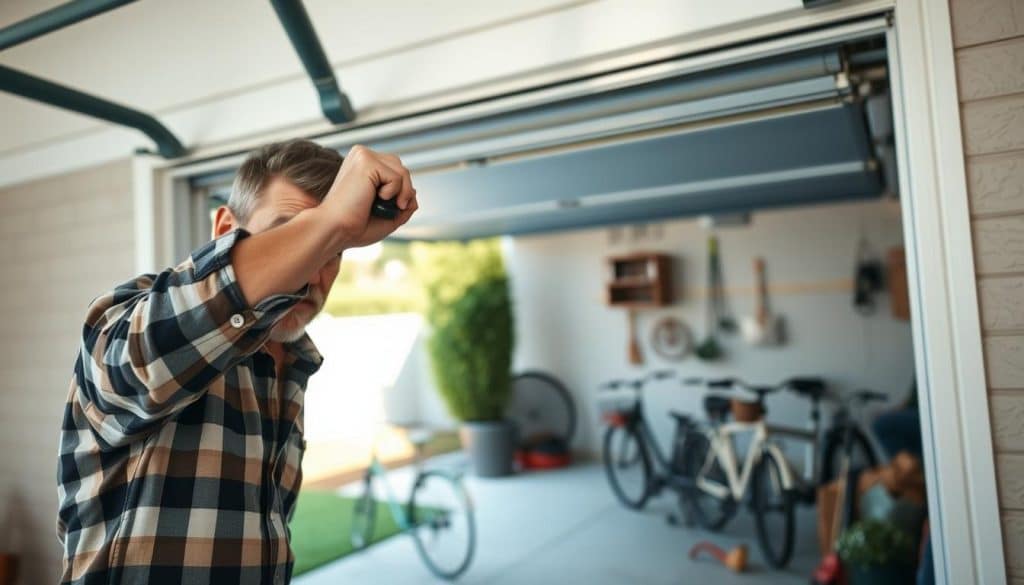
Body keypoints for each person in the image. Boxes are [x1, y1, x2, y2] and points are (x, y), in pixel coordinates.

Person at [56, 140, 418, 585]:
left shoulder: (293, 364)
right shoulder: (128, 321)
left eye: (334, 250)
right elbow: (145, 359)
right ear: (226, 227)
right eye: (291, 231)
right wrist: (329, 222)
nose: (313, 273)